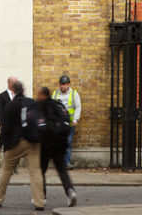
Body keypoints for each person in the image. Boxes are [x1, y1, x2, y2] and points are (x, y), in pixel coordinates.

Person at [0, 78, 46, 211]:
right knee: (35, 171)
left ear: (13, 91)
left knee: (7, 170)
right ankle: (39, 202)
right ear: (23, 90)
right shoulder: (31, 102)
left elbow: (5, 129)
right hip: (33, 142)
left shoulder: (11, 106)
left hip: (15, 143)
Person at [39, 82, 74, 202]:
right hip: (60, 144)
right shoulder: (58, 105)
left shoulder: (41, 107)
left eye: (39, 95)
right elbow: (67, 122)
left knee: (41, 171)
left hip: (46, 145)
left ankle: (41, 197)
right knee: (61, 170)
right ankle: (70, 191)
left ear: (43, 95)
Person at [53, 74, 82, 202]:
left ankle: (66, 162)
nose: (63, 86)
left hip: (69, 124)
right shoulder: (55, 94)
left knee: (68, 142)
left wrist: (75, 119)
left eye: (64, 84)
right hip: (58, 125)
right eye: (61, 84)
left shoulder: (74, 94)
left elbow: (78, 107)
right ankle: (62, 162)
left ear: (68, 84)